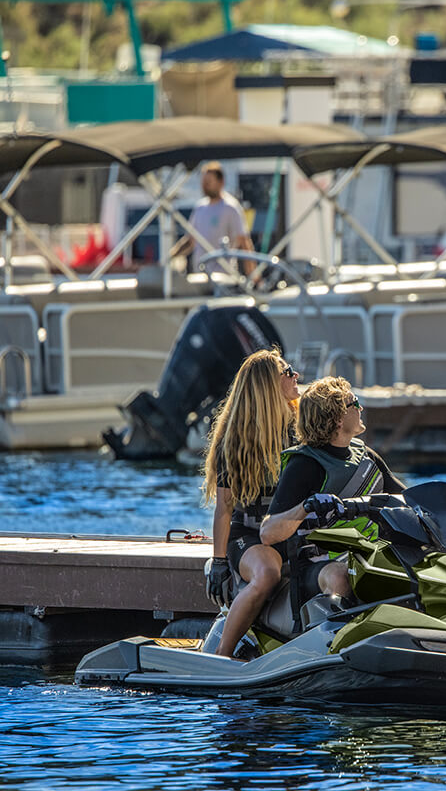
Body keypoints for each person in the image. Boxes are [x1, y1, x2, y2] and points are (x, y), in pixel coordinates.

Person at [257, 377, 406, 613]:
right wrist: (306, 506)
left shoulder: (366, 456)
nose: (361, 408)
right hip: (318, 566)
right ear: (337, 418)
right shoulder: (304, 464)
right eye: (355, 403)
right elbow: (268, 533)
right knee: (341, 576)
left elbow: (407, 498)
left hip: (368, 554)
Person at [201, 348, 301, 658]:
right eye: (288, 372)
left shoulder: (302, 430)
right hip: (251, 538)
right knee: (268, 574)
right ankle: (222, 656)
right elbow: (224, 509)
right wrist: (219, 563)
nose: (296, 376)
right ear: (269, 386)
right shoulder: (236, 441)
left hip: (296, 536)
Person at [172, 161, 253, 274]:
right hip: (200, 276)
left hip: (223, 278)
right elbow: (190, 240)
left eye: (209, 182)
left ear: (221, 182)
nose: (205, 185)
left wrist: (253, 275)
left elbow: (243, 242)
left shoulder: (230, 207)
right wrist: (171, 257)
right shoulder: (200, 208)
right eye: (203, 182)